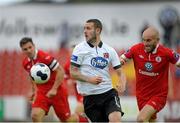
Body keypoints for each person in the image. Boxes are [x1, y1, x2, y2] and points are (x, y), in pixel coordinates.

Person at [19, 37, 88, 122]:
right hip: (42, 93)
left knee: (67, 120)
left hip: (57, 92)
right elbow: (32, 76)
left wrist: (54, 89)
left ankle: (85, 121)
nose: (29, 50)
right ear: (22, 50)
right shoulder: (25, 63)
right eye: (25, 49)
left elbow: (60, 71)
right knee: (35, 115)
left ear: (34, 46)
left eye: (30, 47)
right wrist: (33, 91)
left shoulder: (44, 57)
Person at [119, 26, 180, 122]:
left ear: (157, 40)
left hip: (158, 96)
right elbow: (122, 58)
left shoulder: (166, 53)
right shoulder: (136, 49)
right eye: (143, 40)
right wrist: (121, 61)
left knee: (141, 119)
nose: (145, 44)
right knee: (151, 120)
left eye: (148, 41)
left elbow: (178, 61)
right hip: (141, 95)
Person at [70, 19, 125, 122]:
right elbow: (73, 73)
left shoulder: (109, 50)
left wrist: (122, 83)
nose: (85, 31)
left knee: (116, 119)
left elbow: (120, 72)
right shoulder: (79, 49)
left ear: (98, 30)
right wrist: (89, 79)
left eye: (88, 28)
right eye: (84, 28)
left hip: (108, 93)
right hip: (90, 98)